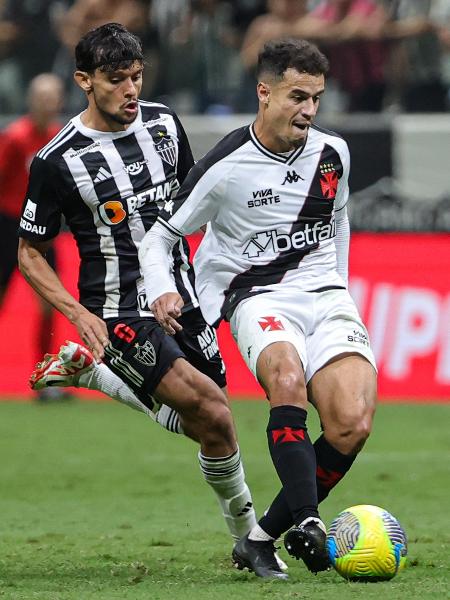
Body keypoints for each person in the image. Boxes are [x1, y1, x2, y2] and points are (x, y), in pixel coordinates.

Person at [139, 39, 378, 579]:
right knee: (287, 380)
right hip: (256, 297)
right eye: (298, 96)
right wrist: (162, 289)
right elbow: (160, 237)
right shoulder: (226, 165)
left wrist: (338, 286)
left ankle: (260, 538)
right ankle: (310, 522)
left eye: (316, 98)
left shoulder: (332, 153)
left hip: (325, 295)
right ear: (264, 93)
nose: (309, 110)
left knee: (352, 424)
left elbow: (338, 222)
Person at [17, 22, 258, 557]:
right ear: (84, 80)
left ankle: (98, 376)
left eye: (137, 76)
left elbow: (192, 203)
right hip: (117, 308)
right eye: (116, 80)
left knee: (210, 427)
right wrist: (79, 315)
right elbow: (29, 252)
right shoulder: (57, 161)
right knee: (214, 412)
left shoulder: (165, 124)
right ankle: (251, 540)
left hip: (180, 294)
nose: (131, 90)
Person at [0, 73, 65, 400]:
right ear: (31, 100)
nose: (47, 104)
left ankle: (45, 381)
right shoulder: (15, 138)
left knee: (48, 304)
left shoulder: (58, 138)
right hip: (7, 228)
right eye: (42, 97)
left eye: (52, 97)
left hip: (42, 233)